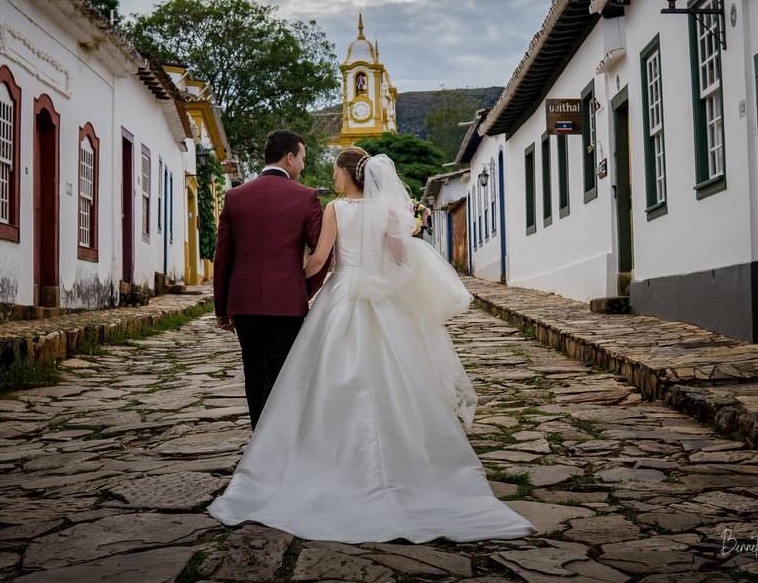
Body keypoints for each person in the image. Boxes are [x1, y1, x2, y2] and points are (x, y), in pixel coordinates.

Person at [206, 146, 535, 543]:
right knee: (399, 380)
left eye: (335, 171)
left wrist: (297, 280)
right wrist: (381, 282)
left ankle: (324, 461)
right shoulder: (390, 213)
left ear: (347, 174)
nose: (333, 177)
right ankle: (414, 467)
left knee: (326, 382)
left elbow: (320, 259)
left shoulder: (335, 209)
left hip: (340, 299)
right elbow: (401, 261)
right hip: (381, 303)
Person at [212, 130, 330, 430]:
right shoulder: (306, 197)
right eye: (302, 158)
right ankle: (277, 441)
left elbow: (223, 256)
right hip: (287, 303)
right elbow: (322, 253)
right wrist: (302, 289)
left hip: (244, 302)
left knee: (252, 370)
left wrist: (222, 307)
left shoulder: (235, 197)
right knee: (281, 371)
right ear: (289, 158)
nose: (303, 165)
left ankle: (258, 438)